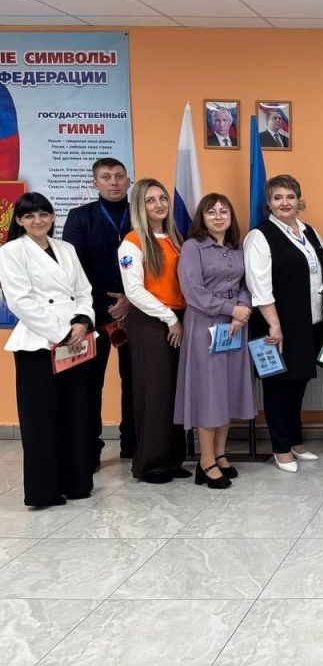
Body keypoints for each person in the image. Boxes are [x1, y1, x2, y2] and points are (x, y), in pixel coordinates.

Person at [0, 193, 95, 507]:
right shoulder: (11, 251)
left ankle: (77, 482)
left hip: (76, 343)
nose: (37, 220)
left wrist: (82, 322)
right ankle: (44, 490)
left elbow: (83, 291)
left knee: (76, 414)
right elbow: (19, 301)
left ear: (53, 217)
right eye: (29, 216)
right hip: (39, 344)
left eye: (43, 214)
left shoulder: (66, 248)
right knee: (41, 419)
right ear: (19, 220)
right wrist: (61, 332)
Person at [244, 174, 323, 473]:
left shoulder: (309, 231)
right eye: (278, 198)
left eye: (290, 197)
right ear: (269, 203)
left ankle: (294, 440)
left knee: (298, 383)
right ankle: (280, 448)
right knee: (278, 387)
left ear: (299, 200)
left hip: (307, 323)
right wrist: (274, 326)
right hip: (275, 325)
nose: (285, 203)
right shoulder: (260, 236)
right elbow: (259, 286)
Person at [174, 193, 255, 489]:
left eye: (224, 211)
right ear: (202, 218)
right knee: (209, 393)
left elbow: (247, 284)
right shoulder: (192, 247)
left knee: (227, 390)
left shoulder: (237, 247)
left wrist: (242, 310)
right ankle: (205, 461)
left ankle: (220, 454)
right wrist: (231, 309)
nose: (219, 217)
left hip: (236, 325)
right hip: (205, 325)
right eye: (212, 212)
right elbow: (192, 291)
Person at [62, 157, 136, 466]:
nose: (114, 182)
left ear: (128, 181)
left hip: (137, 311)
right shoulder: (80, 217)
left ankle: (133, 444)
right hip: (93, 315)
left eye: (119, 176)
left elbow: (154, 261)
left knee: (136, 382)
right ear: (95, 183)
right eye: (106, 177)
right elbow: (73, 269)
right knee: (90, 385)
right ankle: (89, 450)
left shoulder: (140, 213)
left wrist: (130, 299)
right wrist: (108, 306)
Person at [118, 179, 189, 484]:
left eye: (162, 198)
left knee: (174, 391)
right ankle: (150, 464)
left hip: (177, 319)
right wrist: (168, 318)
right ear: (139, 206)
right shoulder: (132, 242)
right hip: (152, 322)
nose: (159, 204)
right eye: (150, 200)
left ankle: (172, 458)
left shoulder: (175, 238)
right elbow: (134, 291)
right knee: (155, 393)